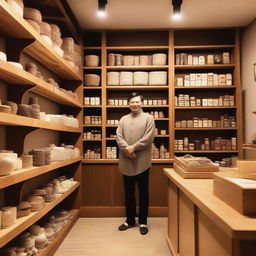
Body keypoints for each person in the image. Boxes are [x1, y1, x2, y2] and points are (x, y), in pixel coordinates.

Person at [116, 92, 155, 235]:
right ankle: (130, 220)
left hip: (142, 162)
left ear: (142, 103)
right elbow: (118, 137)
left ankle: (143, 222)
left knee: (144, 193)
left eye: (137, 102)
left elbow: (148, 138)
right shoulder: (123, 119)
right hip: (126, 161)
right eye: (132, 102)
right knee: (129, 193)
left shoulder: (149, 118)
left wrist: (133, 148)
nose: (135, 104)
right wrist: (127, 149)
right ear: (128, 104)